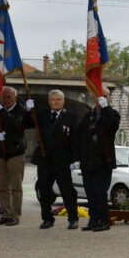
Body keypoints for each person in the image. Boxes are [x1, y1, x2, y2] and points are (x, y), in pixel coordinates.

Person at [26, 89, 79, 230]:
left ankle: (73, 218)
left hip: (62, 160)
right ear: (49, 101)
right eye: (53, 100)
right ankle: (47, 218)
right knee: (44, 189)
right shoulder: (42, 114)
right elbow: (26, 123)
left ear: (63, 101)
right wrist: (27, 109)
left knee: (67, 190)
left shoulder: (71, 116)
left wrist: (74, 160)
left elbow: (75, 139)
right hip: (45, 159)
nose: (56, 102)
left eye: (58, 100)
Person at [76, 86, 121, 232]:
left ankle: (104, 220)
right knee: (90, 193)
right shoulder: (88, 115)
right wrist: (77, 158)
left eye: (105, 96)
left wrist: (106, 108)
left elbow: (110, 127)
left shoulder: (112, 114)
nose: (101, 99)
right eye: (99, 96)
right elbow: (80, 137)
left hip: (103, 161)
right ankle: (94, 220)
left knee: (100, 192)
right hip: (88, 161)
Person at [0, 86, 28, 227]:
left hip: (15, 153)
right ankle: (5, 213)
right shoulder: (0, 112)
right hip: (1, 154)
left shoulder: (21, 111)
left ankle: (15, 215)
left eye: (9, 97)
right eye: (4, 97)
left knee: (16, 187)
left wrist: (2, 111)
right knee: (2, 186)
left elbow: (16, 126)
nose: (6, 100)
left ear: (15, 98)